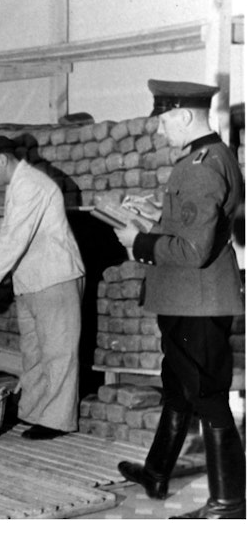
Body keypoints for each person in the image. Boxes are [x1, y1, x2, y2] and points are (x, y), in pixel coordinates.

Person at [114, 80, 245, 519]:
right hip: (191, 299)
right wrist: (156, 215)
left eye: (164, 120)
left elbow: (191, 250)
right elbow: (202, 227)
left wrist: (138, 242)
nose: (160, 129)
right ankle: (157, 472)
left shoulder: (199, 167)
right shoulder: (214, 155)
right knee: (178, 387)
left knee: (207, 396)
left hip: (196, 301)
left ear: (185, 116)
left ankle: (228, 503)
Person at [0, 136, 85, 440]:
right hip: (32, 281)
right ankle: (33, 412)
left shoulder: (32, 184)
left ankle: (56, 421)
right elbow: (5, 236)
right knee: (33, 353)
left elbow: (15, 239)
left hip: (55, 278)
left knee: (57, 353)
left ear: (2, 159)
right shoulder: (18, 185)